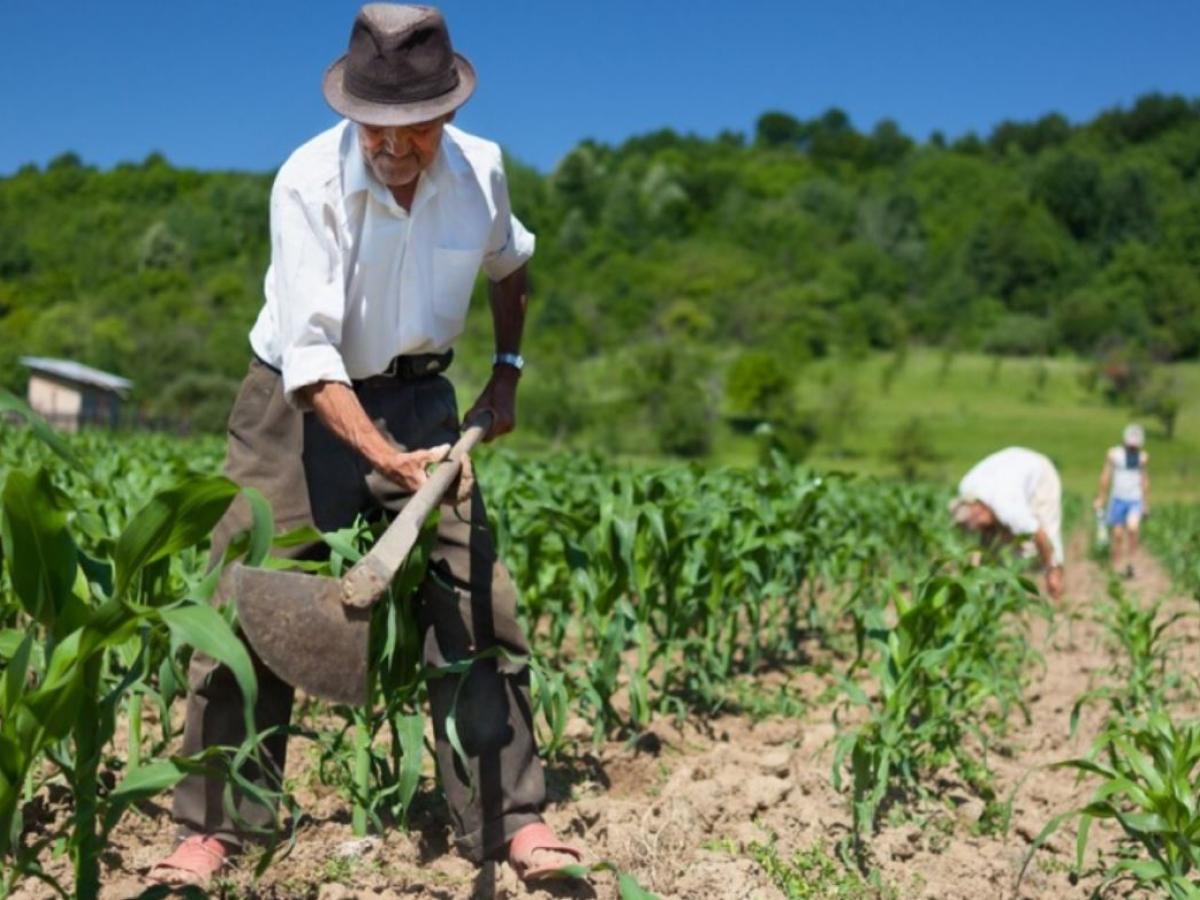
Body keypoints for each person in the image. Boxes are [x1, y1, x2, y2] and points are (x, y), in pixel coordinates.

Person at [151, 4, 579, 886]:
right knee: (243, 593)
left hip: (422, 399)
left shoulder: (483, 172)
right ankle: (216, 824)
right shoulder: (307, 183)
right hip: (293, 404)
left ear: (446, 111)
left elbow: (510, 262)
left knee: (474, 596)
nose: (389, 145)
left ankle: (508, 817)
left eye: (411, 126)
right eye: (372, 125)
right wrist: (383, 459)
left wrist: (506, 369)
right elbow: (311, 360)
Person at [950, 447, 1065, 599]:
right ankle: (994, 590)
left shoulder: (1008, 508)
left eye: (979, 525)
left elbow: (1038, 533)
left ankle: (1056, 583)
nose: (978, 529)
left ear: (979, 511)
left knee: (1043, 537)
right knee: (998, 545)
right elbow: (980, 539)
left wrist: (1051, 569)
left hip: (1040, 474)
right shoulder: (965, 489)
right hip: (1009, 470)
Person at [1094, 423, 1150, 578]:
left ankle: (1132, 562)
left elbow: (1144, 480)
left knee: (1132, 529)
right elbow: (1106, 476)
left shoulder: (1142, 458)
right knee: (1118, 535)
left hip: (1135, 500)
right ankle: (1116, 565)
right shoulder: (1114, 455)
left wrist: (1145, 503)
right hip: (1118, 499)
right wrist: (1101, 497)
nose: (1133, 448)